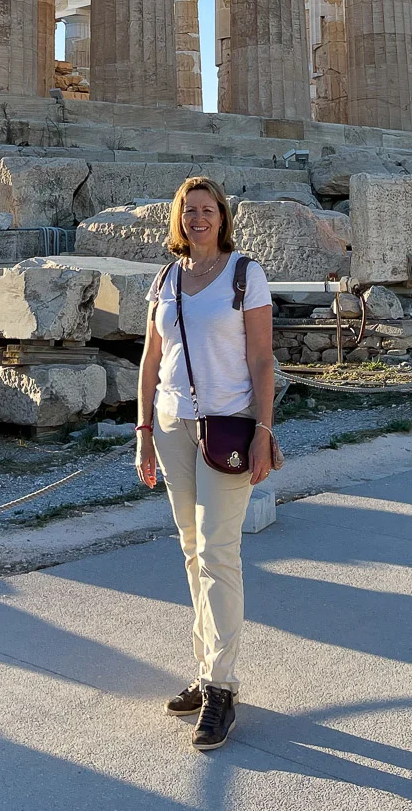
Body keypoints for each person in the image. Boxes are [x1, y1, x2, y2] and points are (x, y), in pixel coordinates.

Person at [135, 175, 275, 751]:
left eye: (207, 210)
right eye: (188, 211)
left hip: (229, 427)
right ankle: (204, 672)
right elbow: (150, 358)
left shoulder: (246, 273)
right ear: (178, 219)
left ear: (222, 217)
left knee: (220, 553)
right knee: (192, 551)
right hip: (171, 426)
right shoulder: (166, 277)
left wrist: (264, 431)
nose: (197, 219)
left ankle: (222, 688)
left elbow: (263, 358)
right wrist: (142, 430)